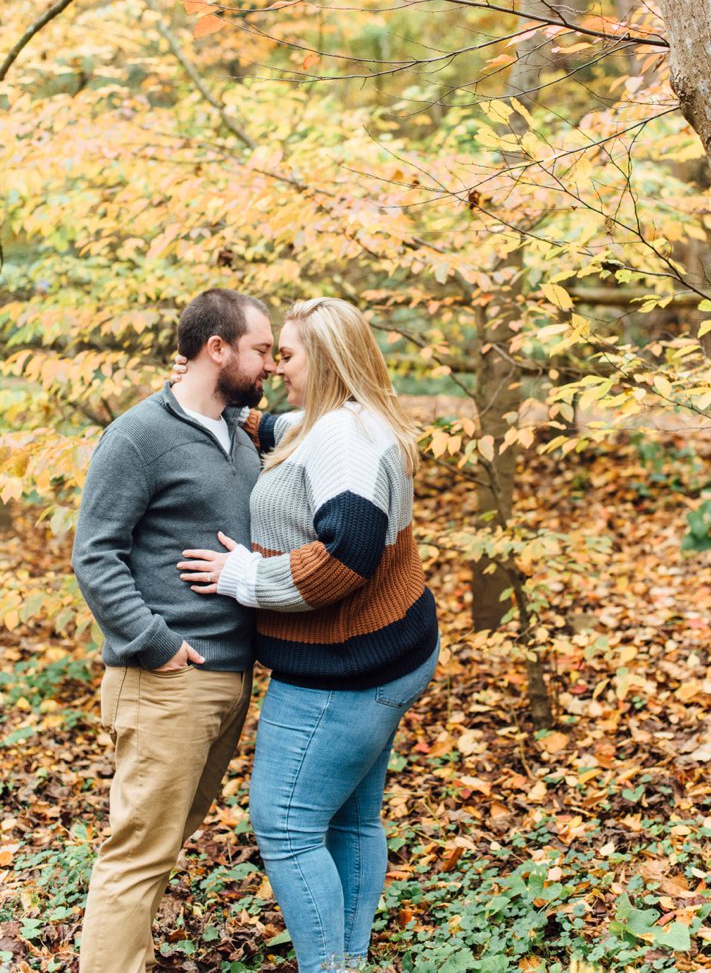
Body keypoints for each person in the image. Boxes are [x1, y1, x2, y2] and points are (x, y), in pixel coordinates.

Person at [176, 296, 440, 973]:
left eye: (284, 356)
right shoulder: (347, 418)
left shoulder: (342, 442)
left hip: (344, 672)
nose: (273, 369)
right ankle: (348, 961)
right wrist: (213, 395)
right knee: (352, 821)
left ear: (322, 360)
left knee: (288, 827)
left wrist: (243, 575)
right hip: (394, 646)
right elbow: (280, 431)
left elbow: (344, 558)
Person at [72, 288, 275, 973]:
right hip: (167, 679)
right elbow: (95, 552)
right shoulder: (138, 436)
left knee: (165, 843)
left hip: (226, 678)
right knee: (137, 855)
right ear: (216, 349)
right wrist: (156, 643)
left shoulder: (239, 431)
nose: (271, 365)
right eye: (261, 350)